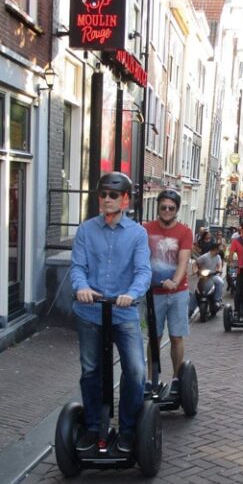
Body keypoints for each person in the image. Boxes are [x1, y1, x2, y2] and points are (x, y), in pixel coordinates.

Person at [70, 172, 152, 454]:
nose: (106, 199)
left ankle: (128, 429)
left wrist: (132, 294)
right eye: (102, 194)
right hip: (90, 312)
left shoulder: (138, 234)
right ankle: (94, 426)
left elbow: (143, 270)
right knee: (91, 370)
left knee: (136, 370)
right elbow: (78, 267)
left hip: (123, 313)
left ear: (125, 200)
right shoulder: (85, 230)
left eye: (112, 195)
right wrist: (81, 287)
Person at [144, 189, 193, 395]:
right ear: (158, 208)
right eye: (163, 207)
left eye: (170, 208)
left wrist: (174, 281)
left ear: (176, 210)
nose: (166, 210)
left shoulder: (184, 232)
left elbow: (183, 261)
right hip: (153, 293)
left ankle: (175, 378)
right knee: (153, 337)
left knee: (176, 337)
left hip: (177, 292)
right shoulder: (145, 229)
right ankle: (149, 379)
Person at [193, 242, 224, 308]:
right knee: (197, 289)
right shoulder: (204, 257)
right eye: (217, 250)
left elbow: (219, 265)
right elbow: (195, 263)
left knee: (220, 282)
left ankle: (217, 300)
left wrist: (219, 269)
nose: (218, 251)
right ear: (214, 249)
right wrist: (195, 270)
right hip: (204, 276)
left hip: (213, 275)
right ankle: (192, 307)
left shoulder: (218, 257)